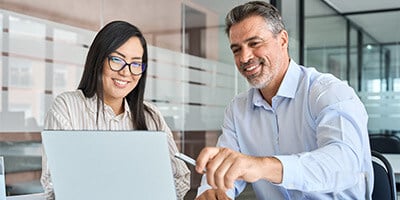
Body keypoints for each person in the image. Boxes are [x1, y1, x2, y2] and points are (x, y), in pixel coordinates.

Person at [195, 1, 373, 200]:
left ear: (282, 40)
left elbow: (344, 164)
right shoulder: (237, 110)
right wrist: (212, 192)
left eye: (254, 43)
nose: (244, 57)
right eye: (236, 49)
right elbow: (226, 169)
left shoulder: (328, 92)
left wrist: (262, 166)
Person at [41, 20, 190, 200]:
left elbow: (181, 179)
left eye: (135, 64)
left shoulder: (150, 115)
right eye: (117, 60)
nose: (126, 72)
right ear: (99, 59)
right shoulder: (67, 107)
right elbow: (55, 186)